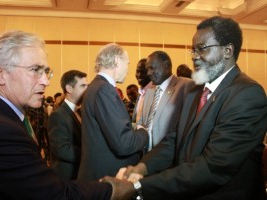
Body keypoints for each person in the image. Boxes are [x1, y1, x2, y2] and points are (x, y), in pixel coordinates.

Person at [101, 16, 267, 200]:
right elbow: (174, 139)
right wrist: (142, 167)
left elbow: (213, 167)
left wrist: (138, 187)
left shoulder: (247, 94)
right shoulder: (195, 90)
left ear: (227, 51)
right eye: (193, 50)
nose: (194, 56)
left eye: (202, 49)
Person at [0, 30, 112, 199]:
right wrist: (112, 189)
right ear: (0, 74)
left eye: (45, 71)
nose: (46, 81)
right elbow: (53, 195)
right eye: (35, 70)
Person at [77, 43, 149, 181]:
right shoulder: (105, 90)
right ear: (117, 61)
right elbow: (124, 144)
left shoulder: (95, 86)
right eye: (127, 63)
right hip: (107, 178)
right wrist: (144, 131)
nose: (128, 70)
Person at [138, 51, 194, 151]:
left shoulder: (186, 86)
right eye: (147, 69)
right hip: (146, 156)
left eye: (152, 68)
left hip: (170, 157)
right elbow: (141, 122)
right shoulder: (149, 90)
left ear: (166, 65)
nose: (148, 73)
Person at [47, 70, 88, 180]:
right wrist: (89, 153)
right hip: (67, 177)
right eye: (83, 86)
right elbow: (61, 150)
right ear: (69, 88)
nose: (87, 89)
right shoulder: (58, 115)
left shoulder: (81, 112)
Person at [132, 58, 153, 123]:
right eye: (138, 71)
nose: (139, 75)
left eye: (143, 72)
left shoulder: (156, 93)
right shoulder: (140, 92)